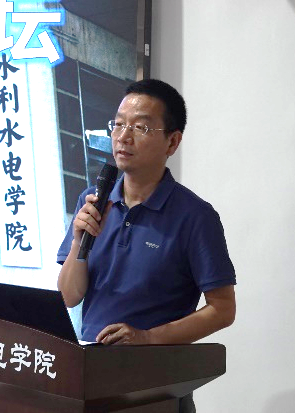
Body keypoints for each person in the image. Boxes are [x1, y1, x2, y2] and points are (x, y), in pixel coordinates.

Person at [56, 79, 236, 413]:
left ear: (172, 141)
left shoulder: (195, 216)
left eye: (140, 127)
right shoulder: (92, 200)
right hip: (90, 378)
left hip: (154, 389)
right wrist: (80, 241)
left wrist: (147, 338)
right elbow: (69, 296)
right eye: (118, 124)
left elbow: (223, 309)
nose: (123, 137)